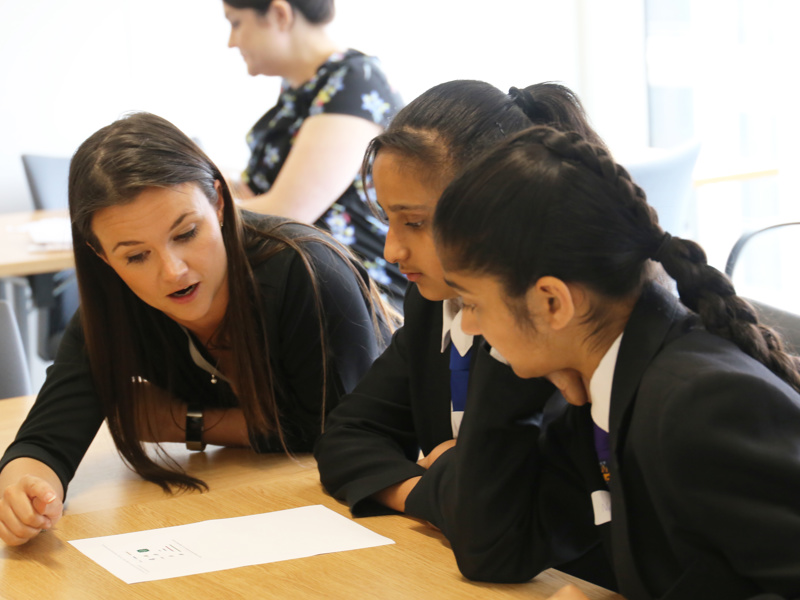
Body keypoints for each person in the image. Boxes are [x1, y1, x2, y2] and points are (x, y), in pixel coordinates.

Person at [414, 124, 800, 599]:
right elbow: (494, 548)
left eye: (471, 303)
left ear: (552, 303)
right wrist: (532, 369)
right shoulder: (598, 389)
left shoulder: (699, 403)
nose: (469, 327)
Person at [0, 112, 392, 547]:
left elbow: (341, 434)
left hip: (348, 521)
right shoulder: (113, 308)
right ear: (102, 256)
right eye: (135, 257)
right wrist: (24, 488)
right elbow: (45, 440)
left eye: (186, 233)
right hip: (240, 512)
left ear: (219, 203)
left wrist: (183, 422)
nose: (173, 272)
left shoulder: (304, 271)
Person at [314, 81, 607, 526]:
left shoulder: (549, 324)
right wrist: (435, 492)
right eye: (387, 220)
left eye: (414, 222)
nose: (392, 251)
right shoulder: (433, 302)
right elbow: (347, 436)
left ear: (490, 208)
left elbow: (513, 509)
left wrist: (457, 480)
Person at [222, 0, 406, 304]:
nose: (231, 42)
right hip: (314, 287)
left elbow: (286, 213)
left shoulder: (355, 81)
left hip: (364, 305)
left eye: (236, 22)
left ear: (279, 14)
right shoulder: (301, 91)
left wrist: (191, 211)